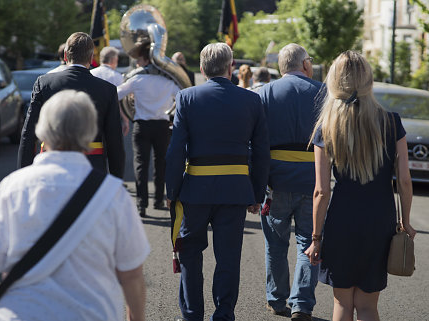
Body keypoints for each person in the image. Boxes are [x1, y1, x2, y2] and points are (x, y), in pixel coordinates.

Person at [0, 90, 150, 321]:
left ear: (42, 130)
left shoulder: (12, 188)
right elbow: (132, 275)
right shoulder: (114, 194)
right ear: (90, 132)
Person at [305, 51, 416, 321]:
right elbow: (404, 180)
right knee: (367, 305)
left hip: (341, 220)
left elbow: (321, 191)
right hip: (380, 219)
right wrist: (406, 221)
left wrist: (316, 237)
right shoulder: (392, 122)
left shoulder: (327, 125)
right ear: (368, 81)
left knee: (342, 304)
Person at [165, 43, 269, 321]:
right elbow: (261, 153)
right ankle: (223, 315)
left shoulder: (187, 97)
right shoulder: (251, 100)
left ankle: (192, 315)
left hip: (196, 189)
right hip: (235, 190)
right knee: (228, 258)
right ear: (230, 67)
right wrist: (256, 195)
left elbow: (176, 150)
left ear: (201, 69)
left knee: (189, 254)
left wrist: (171, 191)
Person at [258, 43, 322, 321]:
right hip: (313, 179)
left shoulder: (265, 93)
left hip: (276, 180)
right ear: (305, 64)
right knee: (310, 242)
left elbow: (256, 142)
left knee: (275, 242)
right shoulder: (324, 92)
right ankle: (302, 304)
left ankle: (277, 298)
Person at [18, 32, 125, 179]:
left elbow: (28, 134)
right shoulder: (107, 89)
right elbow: (114, 141)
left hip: (50, 167)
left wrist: (23, 174)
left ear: (66, 56)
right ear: (91, 58)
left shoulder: (44, 84)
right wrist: (116, 179)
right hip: (93, 170)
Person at [118, 46, 180, 217]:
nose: (137, 63)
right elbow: (182, 97)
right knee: (161, 164)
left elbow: (116, 94)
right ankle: (159, 199)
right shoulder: (168, 83)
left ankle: (141, 204)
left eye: (139, 60)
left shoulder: (137, 80)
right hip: (162, 126)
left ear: (146, 61)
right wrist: (171, 113)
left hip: (142, 125)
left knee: (141, 165)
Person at [91, 46, 130, 136]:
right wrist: (125, 119)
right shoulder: (117, 76)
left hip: (92, 116)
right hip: (111, 117)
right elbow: (119, 100)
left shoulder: (91, 73)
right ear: (113, 60)